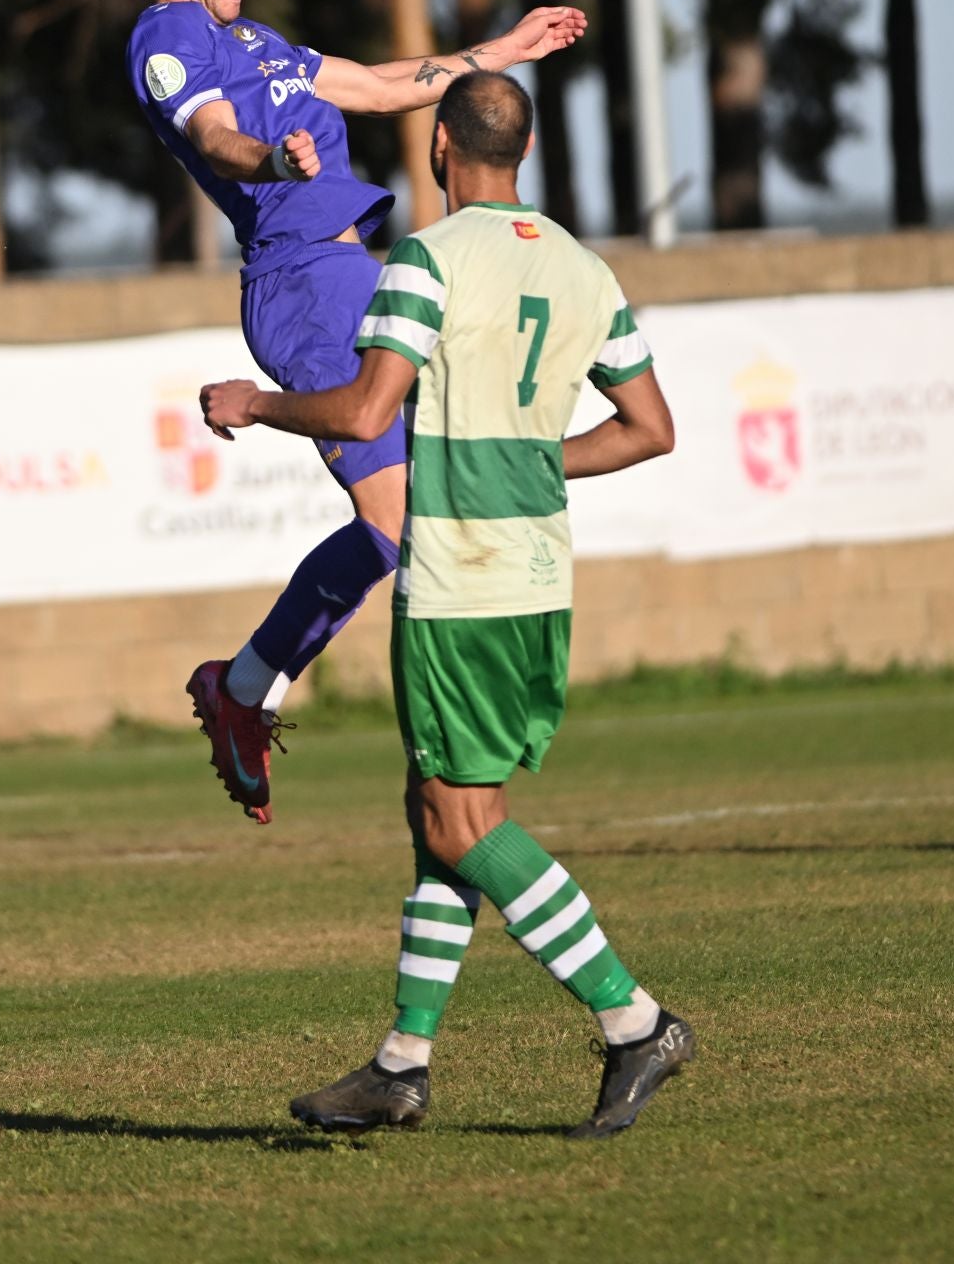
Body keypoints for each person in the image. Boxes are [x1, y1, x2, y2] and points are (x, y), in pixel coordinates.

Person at [199, 72, 693, 1139]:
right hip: (537, 574)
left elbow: (368, 405)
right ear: (523, 152)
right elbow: (649, 427)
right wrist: (528, 456)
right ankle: (401, 1062)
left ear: (437, 152)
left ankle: (633, 1020)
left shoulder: (426, 259)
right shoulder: (581, 267)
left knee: (464, 823)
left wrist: (258, 402)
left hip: (459, 576)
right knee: (440, 809)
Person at [125, 0, 586, 824]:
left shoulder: (255, 40)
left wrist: (503, 50)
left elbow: (379, 87)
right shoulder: (168, 36)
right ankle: (382, 736)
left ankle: (247, 689)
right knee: (400, 526)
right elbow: (215, 140)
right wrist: (273, 166)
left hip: (357, 274)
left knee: (416, 516)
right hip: (304, 286)